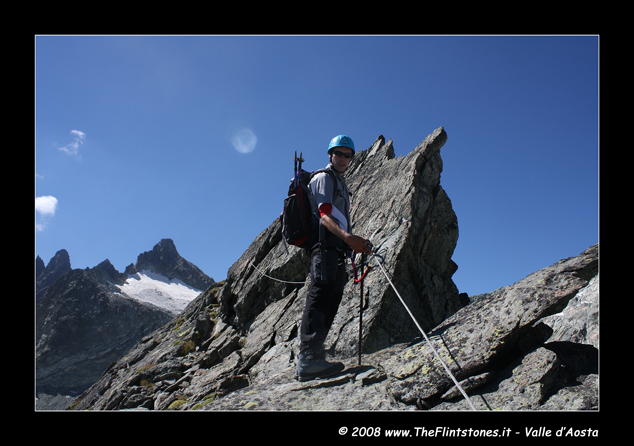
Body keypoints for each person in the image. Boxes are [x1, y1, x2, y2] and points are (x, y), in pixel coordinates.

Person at [296, 135, 373, 382]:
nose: (342, 158)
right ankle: (308, 358)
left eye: (347, 155)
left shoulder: (340, 181)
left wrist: (350, 244)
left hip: (337, 248)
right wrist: (349, 238)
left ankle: (316, 356)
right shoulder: (323, 178)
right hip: (324, 245)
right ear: (330, 154)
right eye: (338, 153)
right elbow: (324, 216)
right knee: (320, 293)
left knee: (333, 296)